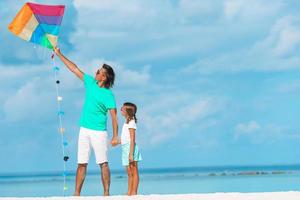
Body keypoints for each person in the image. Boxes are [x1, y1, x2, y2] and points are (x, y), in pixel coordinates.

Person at [54, 47, 119, 196]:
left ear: (104, 77)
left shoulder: (108, 95)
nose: (96, 72)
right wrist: (59, 54)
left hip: (99, 132)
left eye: (99, 72)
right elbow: (75, 69)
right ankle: (76, 194)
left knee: (103, 163)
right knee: (81, 163)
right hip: (84, 130)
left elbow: (114, 117)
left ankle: (106, 194)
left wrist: (115, 136)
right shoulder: (90, 82)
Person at [119, 102, 142, 195]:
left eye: (122, 108)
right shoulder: (127, 122)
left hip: (130, 148)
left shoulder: (132, 122)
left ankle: (134, 192)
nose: (120, 109)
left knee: (134, 171)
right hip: (125, 148)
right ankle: (129, 191)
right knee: (129, 172)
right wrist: (117, 142)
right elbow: (125, 138)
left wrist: (131, 153)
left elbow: (132, 139)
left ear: (128, 111)